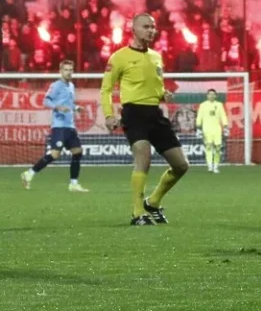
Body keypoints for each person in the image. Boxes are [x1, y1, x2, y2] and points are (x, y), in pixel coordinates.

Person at [100, 13, 190, 226]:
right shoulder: (119, 57)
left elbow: (156, 86)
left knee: (181, 165)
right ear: (134, 29)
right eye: (146, 26)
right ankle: (137, 212)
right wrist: (109, 114)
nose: (151, 30)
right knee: (144, 158)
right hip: (134, 114)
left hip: (155, 114)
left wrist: (163, 94)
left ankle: (153, 201)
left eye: (153, 27)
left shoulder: (156, 56)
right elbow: (105, 89)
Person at [21, 60, 89, 192]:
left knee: (77, 152)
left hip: (70, 126)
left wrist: (76, 108)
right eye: (66, 70)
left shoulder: (71, 86)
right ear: (60, 71)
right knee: (54, 154)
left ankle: (73, 184)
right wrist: (57, 107)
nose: (69, 72)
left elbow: (68, 103)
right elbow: (46, 100)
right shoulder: (56, 85)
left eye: (71, 69)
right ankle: (29, 173)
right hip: (59, 126)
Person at [196, 89, 229, 173]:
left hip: (217, 129)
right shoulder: (203, 105)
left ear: (216, 96)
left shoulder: (219, 105)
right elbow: (199, 116)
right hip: (206, 129)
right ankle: (210, 165)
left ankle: (216, 166)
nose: (211, 96)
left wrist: (225, 126)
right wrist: (198, 127)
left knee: (218, 148)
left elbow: (223, 116)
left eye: (213, 94)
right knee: (209, 147)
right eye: (210, 94)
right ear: (207, 96)